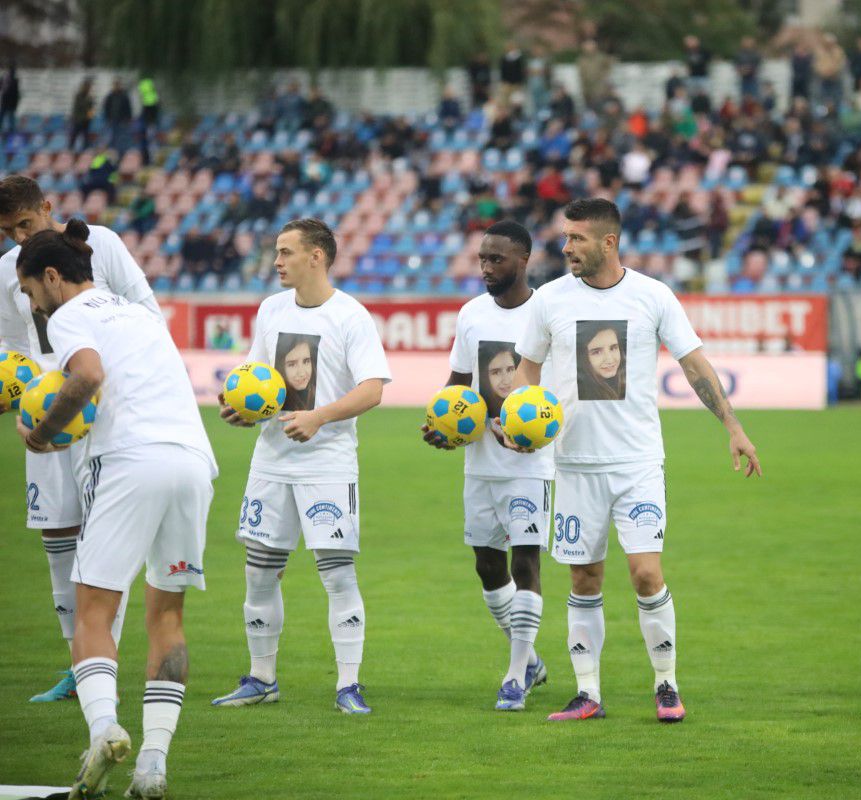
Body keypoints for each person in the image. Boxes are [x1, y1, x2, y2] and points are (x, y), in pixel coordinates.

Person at [504, 198, 762, 723]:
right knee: (584, 580)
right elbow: (526, 371)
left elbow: (694, 366)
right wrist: (521, 422)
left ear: (608, 242)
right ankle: (587, 693)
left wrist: (733, 426)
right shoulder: (550, 300)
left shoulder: (653, 296)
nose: (565, 246)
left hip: (637, 463)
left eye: (576, 238)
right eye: (564, 237)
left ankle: (666, 685)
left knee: (646, 574)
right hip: (573, 463)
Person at [15, 220, 217, 798]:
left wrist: (44, 432)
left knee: (93, 612)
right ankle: (153, 762)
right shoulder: (141, 313)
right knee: (167, 616)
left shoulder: (72, 315)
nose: (33, 303)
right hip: (192, 462)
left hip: (129, 459)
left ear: (53, 278)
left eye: (31, 291)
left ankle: (103, 728)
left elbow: (89, 376)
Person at [211, 219, 390, 715]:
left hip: (327, 464)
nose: (277, 261)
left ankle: (348, 685)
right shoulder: (270, 309)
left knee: (336, 574)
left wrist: (319, 416)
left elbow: (373, 388)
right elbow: (257, 381)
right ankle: (261, 677)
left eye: (286, 252)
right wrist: (242, 411)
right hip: (270, 462)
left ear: (317, 256)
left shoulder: (351, 316)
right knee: (259, 574)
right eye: (276, 251)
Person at [0, 175, 162, 704]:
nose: (18, 238)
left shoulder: (101, 243)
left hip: (103, 412)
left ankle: (101, 663)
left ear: (46, 207)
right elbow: (10, 348)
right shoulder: (7, 271)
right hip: (45, 412)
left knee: (100, 540)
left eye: (25, 224)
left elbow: (146, 310)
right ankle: (78, 666)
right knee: (57, 540)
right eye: (7, 231)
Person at [420, 221, 554, 711]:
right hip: (480, 461)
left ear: (523, 260)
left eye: (496, 260)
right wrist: (443, 423)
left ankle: (515, 676)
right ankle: (533, 659)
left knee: (526, 561)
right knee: (486, 564)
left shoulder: (546, 313)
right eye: (482, 259)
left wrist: (537, 430)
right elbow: (457, 383)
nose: (486, 268)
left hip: (530, 462)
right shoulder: (471, 313)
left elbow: (557, 392)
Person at [69, 78, 95, 152]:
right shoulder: (78, 96)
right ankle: (70, 149)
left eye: (89, 87)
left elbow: (91, 109)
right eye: (86, 86)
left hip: (86, 121)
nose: (88, 88)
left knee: (86, 136)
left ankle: (85, 150)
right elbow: (76, 108)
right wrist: (76, 118)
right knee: (74, 135)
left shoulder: (90, 98)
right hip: (78, 120)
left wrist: (90, 118)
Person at [0, 63, 19, 135]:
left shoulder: (15, 80)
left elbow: (16, 93)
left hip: (10, 102)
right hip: (6, 101)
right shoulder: (4, 79)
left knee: (11, 117)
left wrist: (16, 103)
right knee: (4, 116)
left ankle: (12, 130)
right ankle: (9, 129)